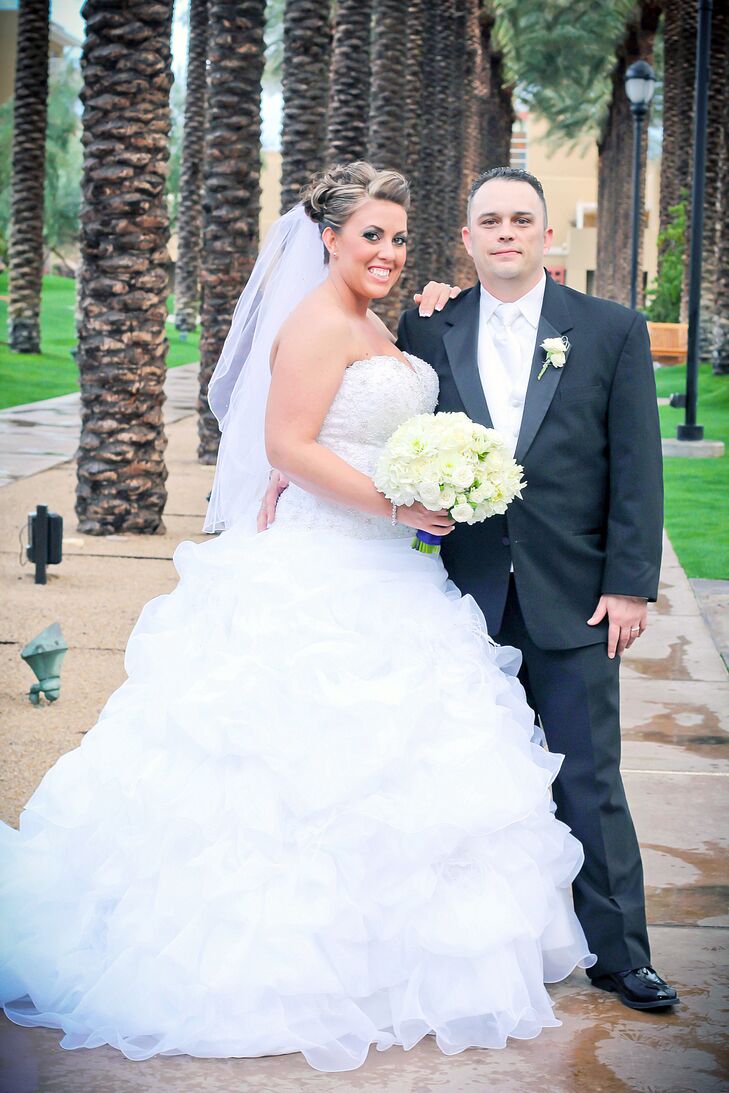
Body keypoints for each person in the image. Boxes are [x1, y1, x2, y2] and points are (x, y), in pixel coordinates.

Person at [1, 162, 594, 1074]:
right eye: (371, 236)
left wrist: (422, 478)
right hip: (324, 565)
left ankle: (383, 966)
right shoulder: (317, 320)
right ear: (327, 237)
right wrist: (397, 506)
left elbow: (359, 428)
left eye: (400, 237)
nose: (389, 252)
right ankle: (286, 972)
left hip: (392, 571)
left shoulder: (374, 320)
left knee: (403, 769)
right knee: (292, 771)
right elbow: (287, 444)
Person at [264, 166, 679, 1014]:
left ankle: (619, 955)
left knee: (588, 776)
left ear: (545, 234)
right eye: (487, 220)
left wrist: (630, 585)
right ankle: (492, 949)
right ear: (465, 239)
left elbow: (636, 465)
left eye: (521, 219)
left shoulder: (609, 329)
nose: (505, 233)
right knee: (468, 783)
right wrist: (297, 481)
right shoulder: (424, 325)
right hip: (450, 592)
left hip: (572, 595)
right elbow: (360, 425)